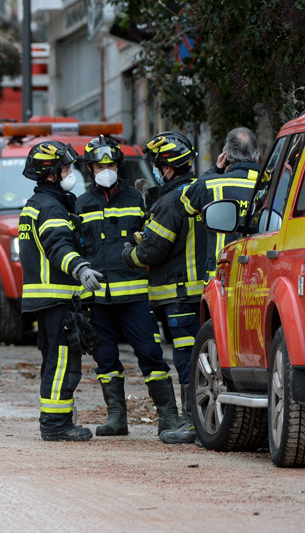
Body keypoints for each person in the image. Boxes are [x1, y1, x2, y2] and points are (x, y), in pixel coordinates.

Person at [76, 135, 183, 437]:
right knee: (105, 359)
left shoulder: (138, 199)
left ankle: (169, 417)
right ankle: (116, 418)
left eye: (110, 164)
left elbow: (153, 240)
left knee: (150, 353)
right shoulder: (81, 204)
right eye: (99, 165)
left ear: (118, 165)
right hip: (98, 299)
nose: (105, 169)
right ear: (90, 168)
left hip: (135, 296)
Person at [17, 140, 104, 442]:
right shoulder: (52, 206)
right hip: (56, 297)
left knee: (54, 360)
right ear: (51, 174)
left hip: (45, 298)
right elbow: (58, 246)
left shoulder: (36, 204)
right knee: (63, 362)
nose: (71, 173)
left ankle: (55, 420)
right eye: (65, 168)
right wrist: (80, 268)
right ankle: (56, 424)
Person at [121, 131, 202, 444]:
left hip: (179, 295)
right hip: (200, 293)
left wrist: (127, 253)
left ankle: (192, 422)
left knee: (186, 359)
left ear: (167, 168)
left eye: (156, 165)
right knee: (203, 357)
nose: (154, 170)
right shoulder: (200, 190)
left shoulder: (170, 202)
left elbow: (150, 251)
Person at [185, 127, 262, 278]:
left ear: (226, 155)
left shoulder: (210, 185)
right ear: (257, 154)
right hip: (259, 276)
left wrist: (215, 170)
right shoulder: (273, 184)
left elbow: (184, 199)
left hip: (221, 277)